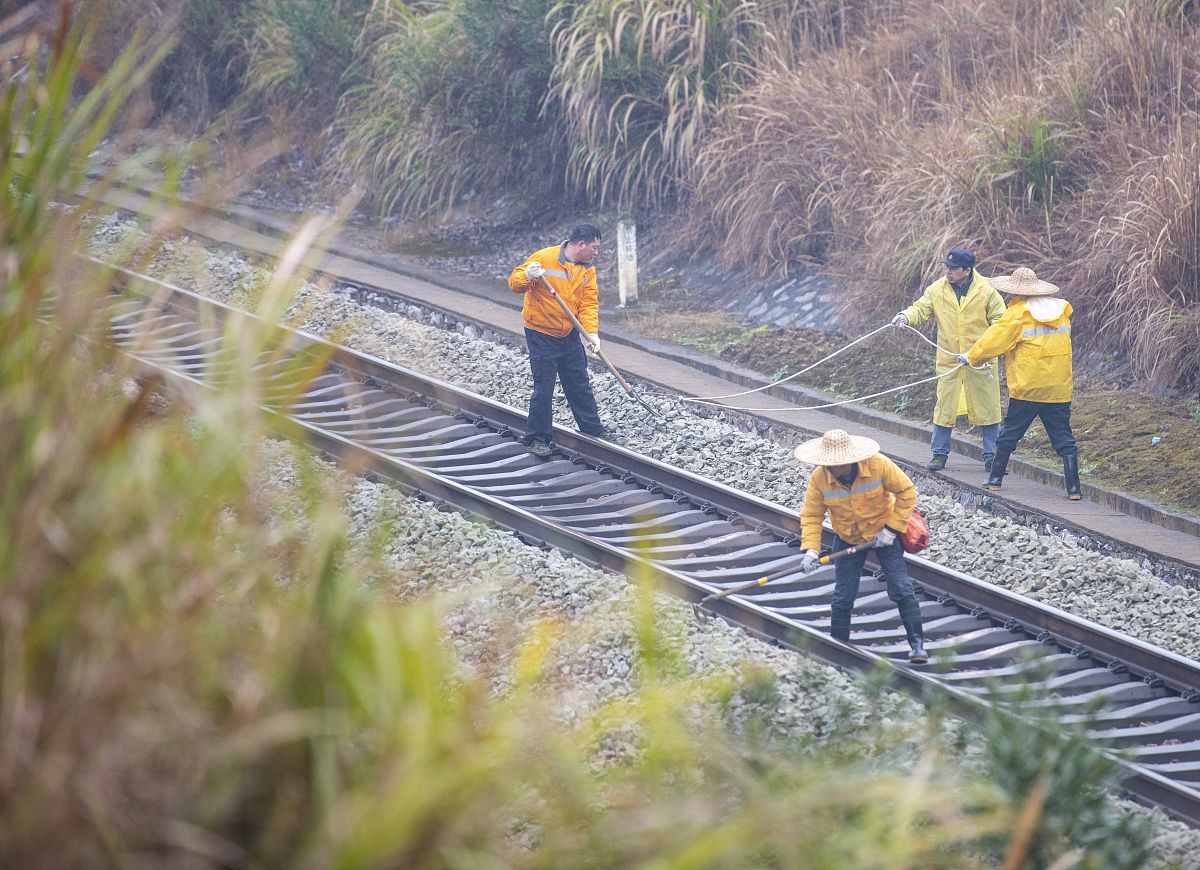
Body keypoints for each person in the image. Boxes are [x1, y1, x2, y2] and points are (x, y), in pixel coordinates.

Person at [795, 429, 928, 663]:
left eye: (838, 464)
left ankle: (917, 646)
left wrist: (892, 529)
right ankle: (838, 647)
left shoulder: (878, 465)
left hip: (884, 534)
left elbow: (907, 491)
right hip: (848, 537)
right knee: (843, 596)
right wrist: (811, 550)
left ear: (852, 459)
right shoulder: (819, 478)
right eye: (829, 465)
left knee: (901, 589)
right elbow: (811, 515)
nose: (833, 469)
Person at [958, 267, 1080, 500]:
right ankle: (1074, 489)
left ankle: (994, 480)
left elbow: (994, 342)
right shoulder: (1061, 311)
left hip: (1027, 388)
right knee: (1064, 438)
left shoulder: (1017, 314)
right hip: (1058, 389)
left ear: (1015, 292)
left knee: (1009, 435)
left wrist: (970, 357)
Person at [893, 247, 1006, 472]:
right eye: (947, 267)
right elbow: (921, 308)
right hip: (949, 362)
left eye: (953, 268)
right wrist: (906, 316)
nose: (948, 271)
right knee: (944, 408)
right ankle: (939, 454)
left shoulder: (987, 291)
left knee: (989, 409)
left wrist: (981, 350)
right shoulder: (937, 290)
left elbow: (1001, 322)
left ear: (967, 270)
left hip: (981, 362)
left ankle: (992, 457)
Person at [508, 223, 609, 457]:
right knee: (544, 388)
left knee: (579, 382)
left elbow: (588, 303)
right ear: (581, 244)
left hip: (570, 334)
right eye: (594, 247)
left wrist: (591, 333)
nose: (596, 252)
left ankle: (592, 430)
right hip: (541, 333)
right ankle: (537, 439)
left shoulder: (587, 269)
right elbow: (514, 283)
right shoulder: (544, 258)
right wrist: (527, 275)